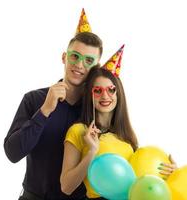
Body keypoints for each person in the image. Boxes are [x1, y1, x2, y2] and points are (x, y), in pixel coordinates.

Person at [60, 52, 177, 199]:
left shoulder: (126, 136)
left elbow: (140, 179)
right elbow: (66, 186)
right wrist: (92, 151)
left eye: (111, 89)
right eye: (98, 90)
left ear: (118, 93)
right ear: (90, 95)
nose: (105, 96)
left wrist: (170, 175)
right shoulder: (79, 131)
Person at [4, 31, 103, 200]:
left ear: (95, 67)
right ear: (64, 57)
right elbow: (13, 153)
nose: (79, 65)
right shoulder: (34, 100)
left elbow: (121, 152)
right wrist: (45, 111)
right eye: (75, 56)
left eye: (88, 60)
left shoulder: (97, 110)